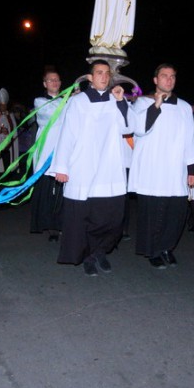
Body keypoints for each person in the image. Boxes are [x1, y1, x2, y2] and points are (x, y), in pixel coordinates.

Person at [50, 59, 136, 276]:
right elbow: (67, 135)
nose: (104, 77)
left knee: (112, 219)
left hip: (110, 168)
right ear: (90, 77)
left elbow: (129, 127)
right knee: (85, 218)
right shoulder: (78, 102)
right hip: (84, 167)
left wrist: (120, 102)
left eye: (107, 73)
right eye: (99, 73)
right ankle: (88, 255)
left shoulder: (115, 100)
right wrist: (61, 166)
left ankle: (100, 251)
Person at [128, 63, 194, 268]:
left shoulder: (184, 107)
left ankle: (167, 247)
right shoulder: (142, 103)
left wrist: (192, 169)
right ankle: (152, 250)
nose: (169, 79)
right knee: (153, 211)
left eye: (172, 76)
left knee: (176, 212)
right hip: (152, 167)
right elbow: (139, 129)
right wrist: (155, 106)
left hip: (175, 168)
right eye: (164, 76)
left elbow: (190, 139)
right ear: (155, 80)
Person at [29, 68, 64, 242]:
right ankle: (49, 225)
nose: (55, 82)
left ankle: (62, 224)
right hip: (47, 150)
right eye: (51, 80)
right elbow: (52, 116)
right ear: (45, 84)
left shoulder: (69, 100)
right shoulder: (40, 101)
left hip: (64, 148)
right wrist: (70, 100)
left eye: (57, 79)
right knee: (47, 188)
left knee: (62, 189)